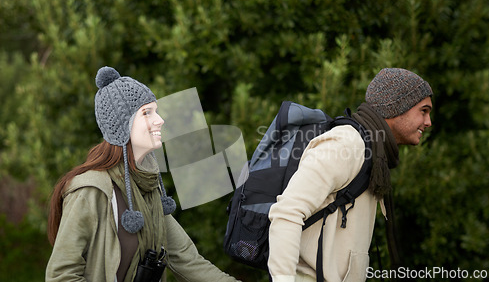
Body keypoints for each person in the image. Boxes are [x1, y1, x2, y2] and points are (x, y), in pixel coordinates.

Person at [46, 66, 240, 282]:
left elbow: (188, 260)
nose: (160, 120)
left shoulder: (148, 186)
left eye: (156, 111)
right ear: (122, 126)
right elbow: (61, 276)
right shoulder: (92, 190)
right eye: (147, 113)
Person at [267, 68, 433, 282]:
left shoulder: (374, 152)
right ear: (396, 107)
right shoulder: (346, 144)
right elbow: (286, 213)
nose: (428, 122)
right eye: (424, 111)